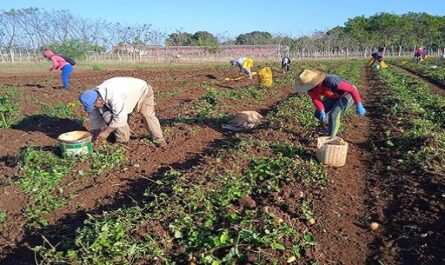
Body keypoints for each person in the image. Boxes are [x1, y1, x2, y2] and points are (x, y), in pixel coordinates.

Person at [78, 77, 166, 146]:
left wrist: (106, 132)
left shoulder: (114, 96)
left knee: (147, 114)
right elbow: (95, 117)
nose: (94, 108)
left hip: (143, 90)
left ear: (99, 100)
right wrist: (96, 134)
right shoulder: (94, 96)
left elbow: (120, 117)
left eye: (93, 106)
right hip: (126, 95)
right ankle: (123, 140)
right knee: (108, 116)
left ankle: (159, 139)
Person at [293, 69, 366, 137]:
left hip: (347, 94)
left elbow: (351, 89)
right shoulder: (310, 89)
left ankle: (331, 137)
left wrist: (358, 104)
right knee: (317, 114)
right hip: (332, 96)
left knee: (333, 114)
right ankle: (331, 125)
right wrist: (321, 111)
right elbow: (316, 99)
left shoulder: (330, 80)